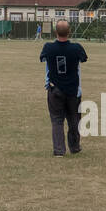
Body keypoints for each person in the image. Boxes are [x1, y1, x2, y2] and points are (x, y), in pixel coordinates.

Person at [39, 19, 88, 156]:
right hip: (73, 91)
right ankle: (74, 147)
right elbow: (83, 59)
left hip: (55, 90)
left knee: (57, 120)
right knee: (74, 120)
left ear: (55, 32)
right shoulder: (77, 48)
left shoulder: (48, 47)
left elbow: (43, 58)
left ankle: (59, 150)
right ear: (70, 32)